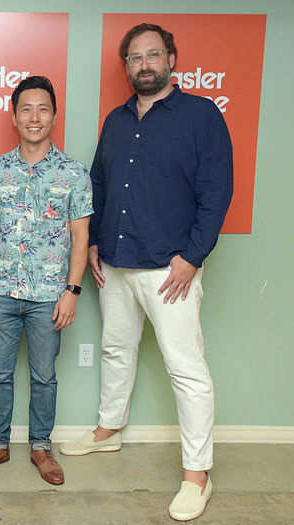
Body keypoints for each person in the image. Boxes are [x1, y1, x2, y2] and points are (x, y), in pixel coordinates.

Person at [59, 23, 233, 521]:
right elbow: (98, 182)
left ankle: (197, 475)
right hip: (114, 262)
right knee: (116, 349)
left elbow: (217, 192)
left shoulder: (202, 116)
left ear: (172, 59)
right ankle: (108, 431)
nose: (144, 64)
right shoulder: (116, 120)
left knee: (187, 370)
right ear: (127, 67)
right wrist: (92, 241)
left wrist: (192, 257)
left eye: (153, 55)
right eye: (135, 58)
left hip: (170, 269)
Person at [0, 76, 93, 485]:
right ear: (14, 115)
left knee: (44, 376)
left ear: (54, 115)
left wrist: (72, 291)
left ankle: (41, 448)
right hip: (1, 291)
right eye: (26, 109)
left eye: (42, 109)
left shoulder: (74, 173)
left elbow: (80, 236)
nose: (34, 117)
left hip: (49, 296)